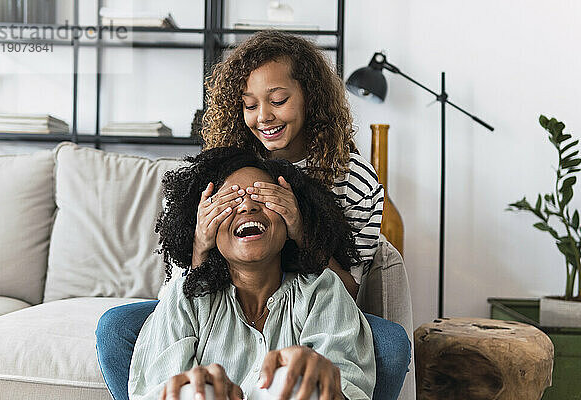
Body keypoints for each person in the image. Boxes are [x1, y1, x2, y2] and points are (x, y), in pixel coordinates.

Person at [96, 30, 410, 400]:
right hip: (223, 292)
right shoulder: (229, 164)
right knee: (116, 328)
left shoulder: (353, 179)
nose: (263, 117)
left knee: (389, 346)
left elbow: (347, 291)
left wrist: (301, 230)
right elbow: (181, 290)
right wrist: (200, 243)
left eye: (278, 100)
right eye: (248, 105)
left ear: (311, 97)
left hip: (306, 299)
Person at [129, 147, 374, 400]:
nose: (247, 206)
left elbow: (349, 387)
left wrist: (326, 389)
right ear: (208, 228)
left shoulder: (323, 291)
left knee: (291, 380)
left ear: (289, 221)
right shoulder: (185, 297)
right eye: (230, 201)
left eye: (263, 197)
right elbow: (160, 387)